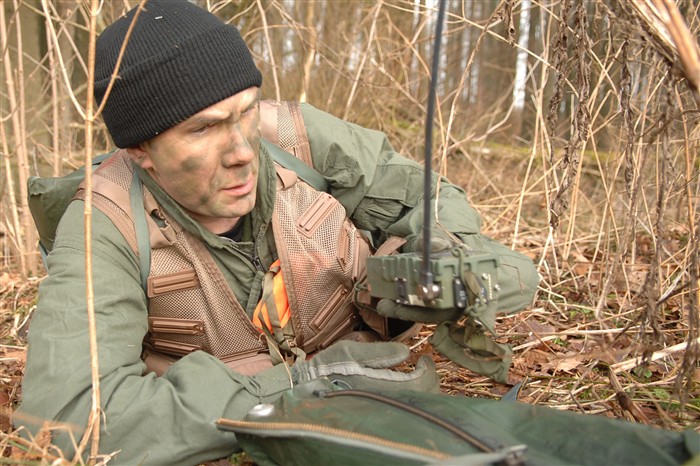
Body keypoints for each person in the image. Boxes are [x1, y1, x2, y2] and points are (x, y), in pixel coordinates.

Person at [16, 1, 538, 464]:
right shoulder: (103, 224)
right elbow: (67, 424)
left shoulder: (295, 138)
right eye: (202, 128)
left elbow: (426, 196)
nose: (244, 151)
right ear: (140, 151)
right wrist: (303, 386)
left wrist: (446, 262)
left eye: (245, 112)